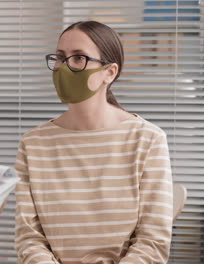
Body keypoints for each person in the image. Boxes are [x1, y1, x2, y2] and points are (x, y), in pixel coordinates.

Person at [14, 21, 173, 264]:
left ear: (109, 72)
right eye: (60, 57)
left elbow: (152, 241)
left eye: (79, 58)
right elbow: (29, 238)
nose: (64, 67)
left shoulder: (148, 139)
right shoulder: (33, 143)